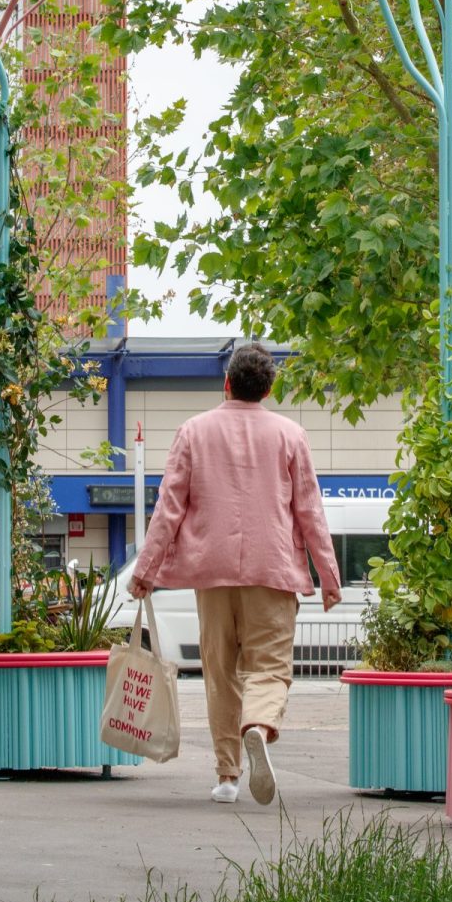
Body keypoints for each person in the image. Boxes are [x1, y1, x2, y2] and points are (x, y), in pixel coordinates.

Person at [129, 343, 340, 807]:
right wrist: (328, 576)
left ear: (226, 383)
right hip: (273, 570)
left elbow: (169, 509)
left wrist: (145, 570)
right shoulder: (291, 435)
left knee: (220, 674)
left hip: (212, 572)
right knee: (268, 668)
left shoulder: (193, 432)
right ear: (269, 389)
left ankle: (227, 776)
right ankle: (258, 725)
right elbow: (309, 510)